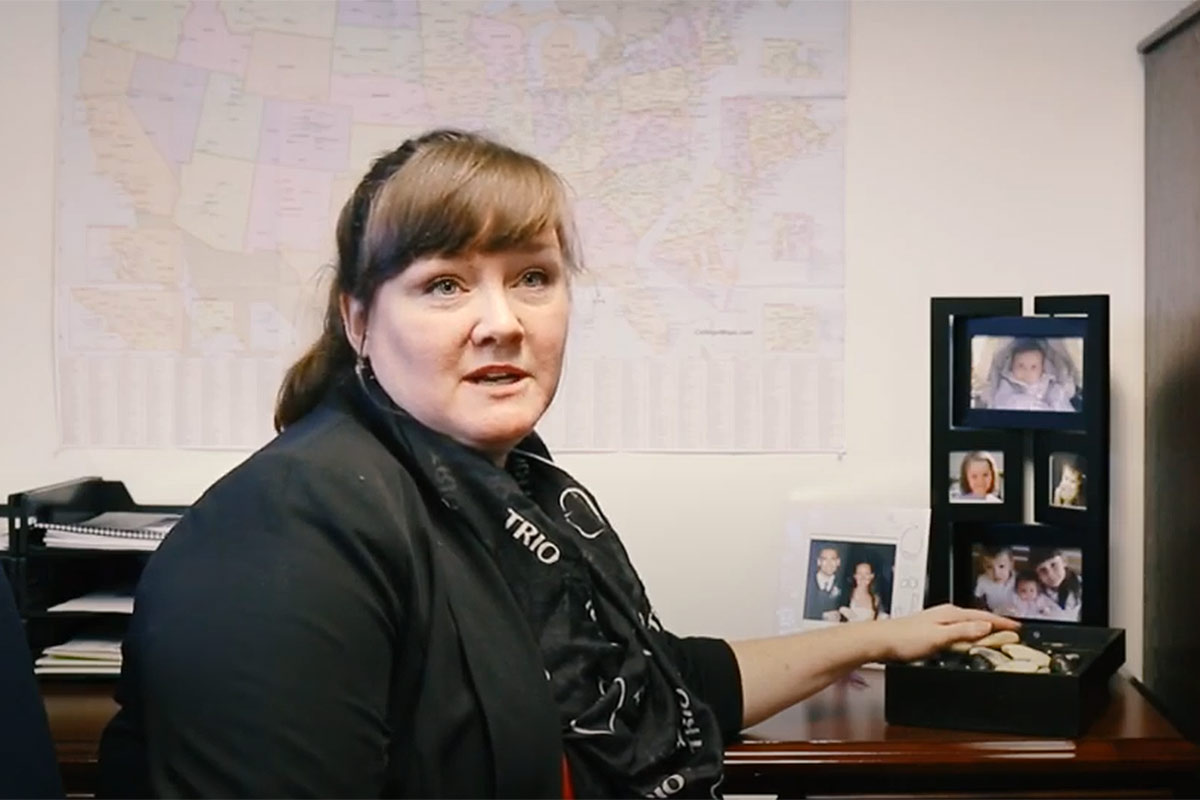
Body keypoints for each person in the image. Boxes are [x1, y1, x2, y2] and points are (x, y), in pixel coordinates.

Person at [95, 129, 1016, 799]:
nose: (503, 321)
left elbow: (658, 686)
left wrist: (881, 636)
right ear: (359, 321)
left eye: (532, 275)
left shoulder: (506, 490)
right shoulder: (289, 534)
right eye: (445, 284)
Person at [988, 338, 1077, 412]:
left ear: (1042, 369)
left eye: (1033, 367)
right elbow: (1002, 402)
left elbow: (1060, 402)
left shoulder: (1049, 384)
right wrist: (1031, 404)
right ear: (1011, 366)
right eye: (1021, 365)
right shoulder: (1007, 383)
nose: (1027, 370)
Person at [1029, 547, 1083, 622]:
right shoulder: (1032, 591)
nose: (1050, 574)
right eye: (1042, 570)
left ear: (1064, 561)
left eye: (1053, 565)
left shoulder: (1081, 586)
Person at [804, 545, 844, 622]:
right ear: (819, 562)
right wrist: (821, 616)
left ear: (838, 562)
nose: (829, 563)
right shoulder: (807, 582)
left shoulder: (844, 585)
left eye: (833, 559)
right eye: (825, 559)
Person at [973, 546, 1016, 613]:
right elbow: (978, 598)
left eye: (1001, 566)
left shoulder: (1019, 579)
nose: (996, 573)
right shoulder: (982, 580)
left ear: (1011, 564)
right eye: (989, 567)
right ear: (983, 566)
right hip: (993, 614)